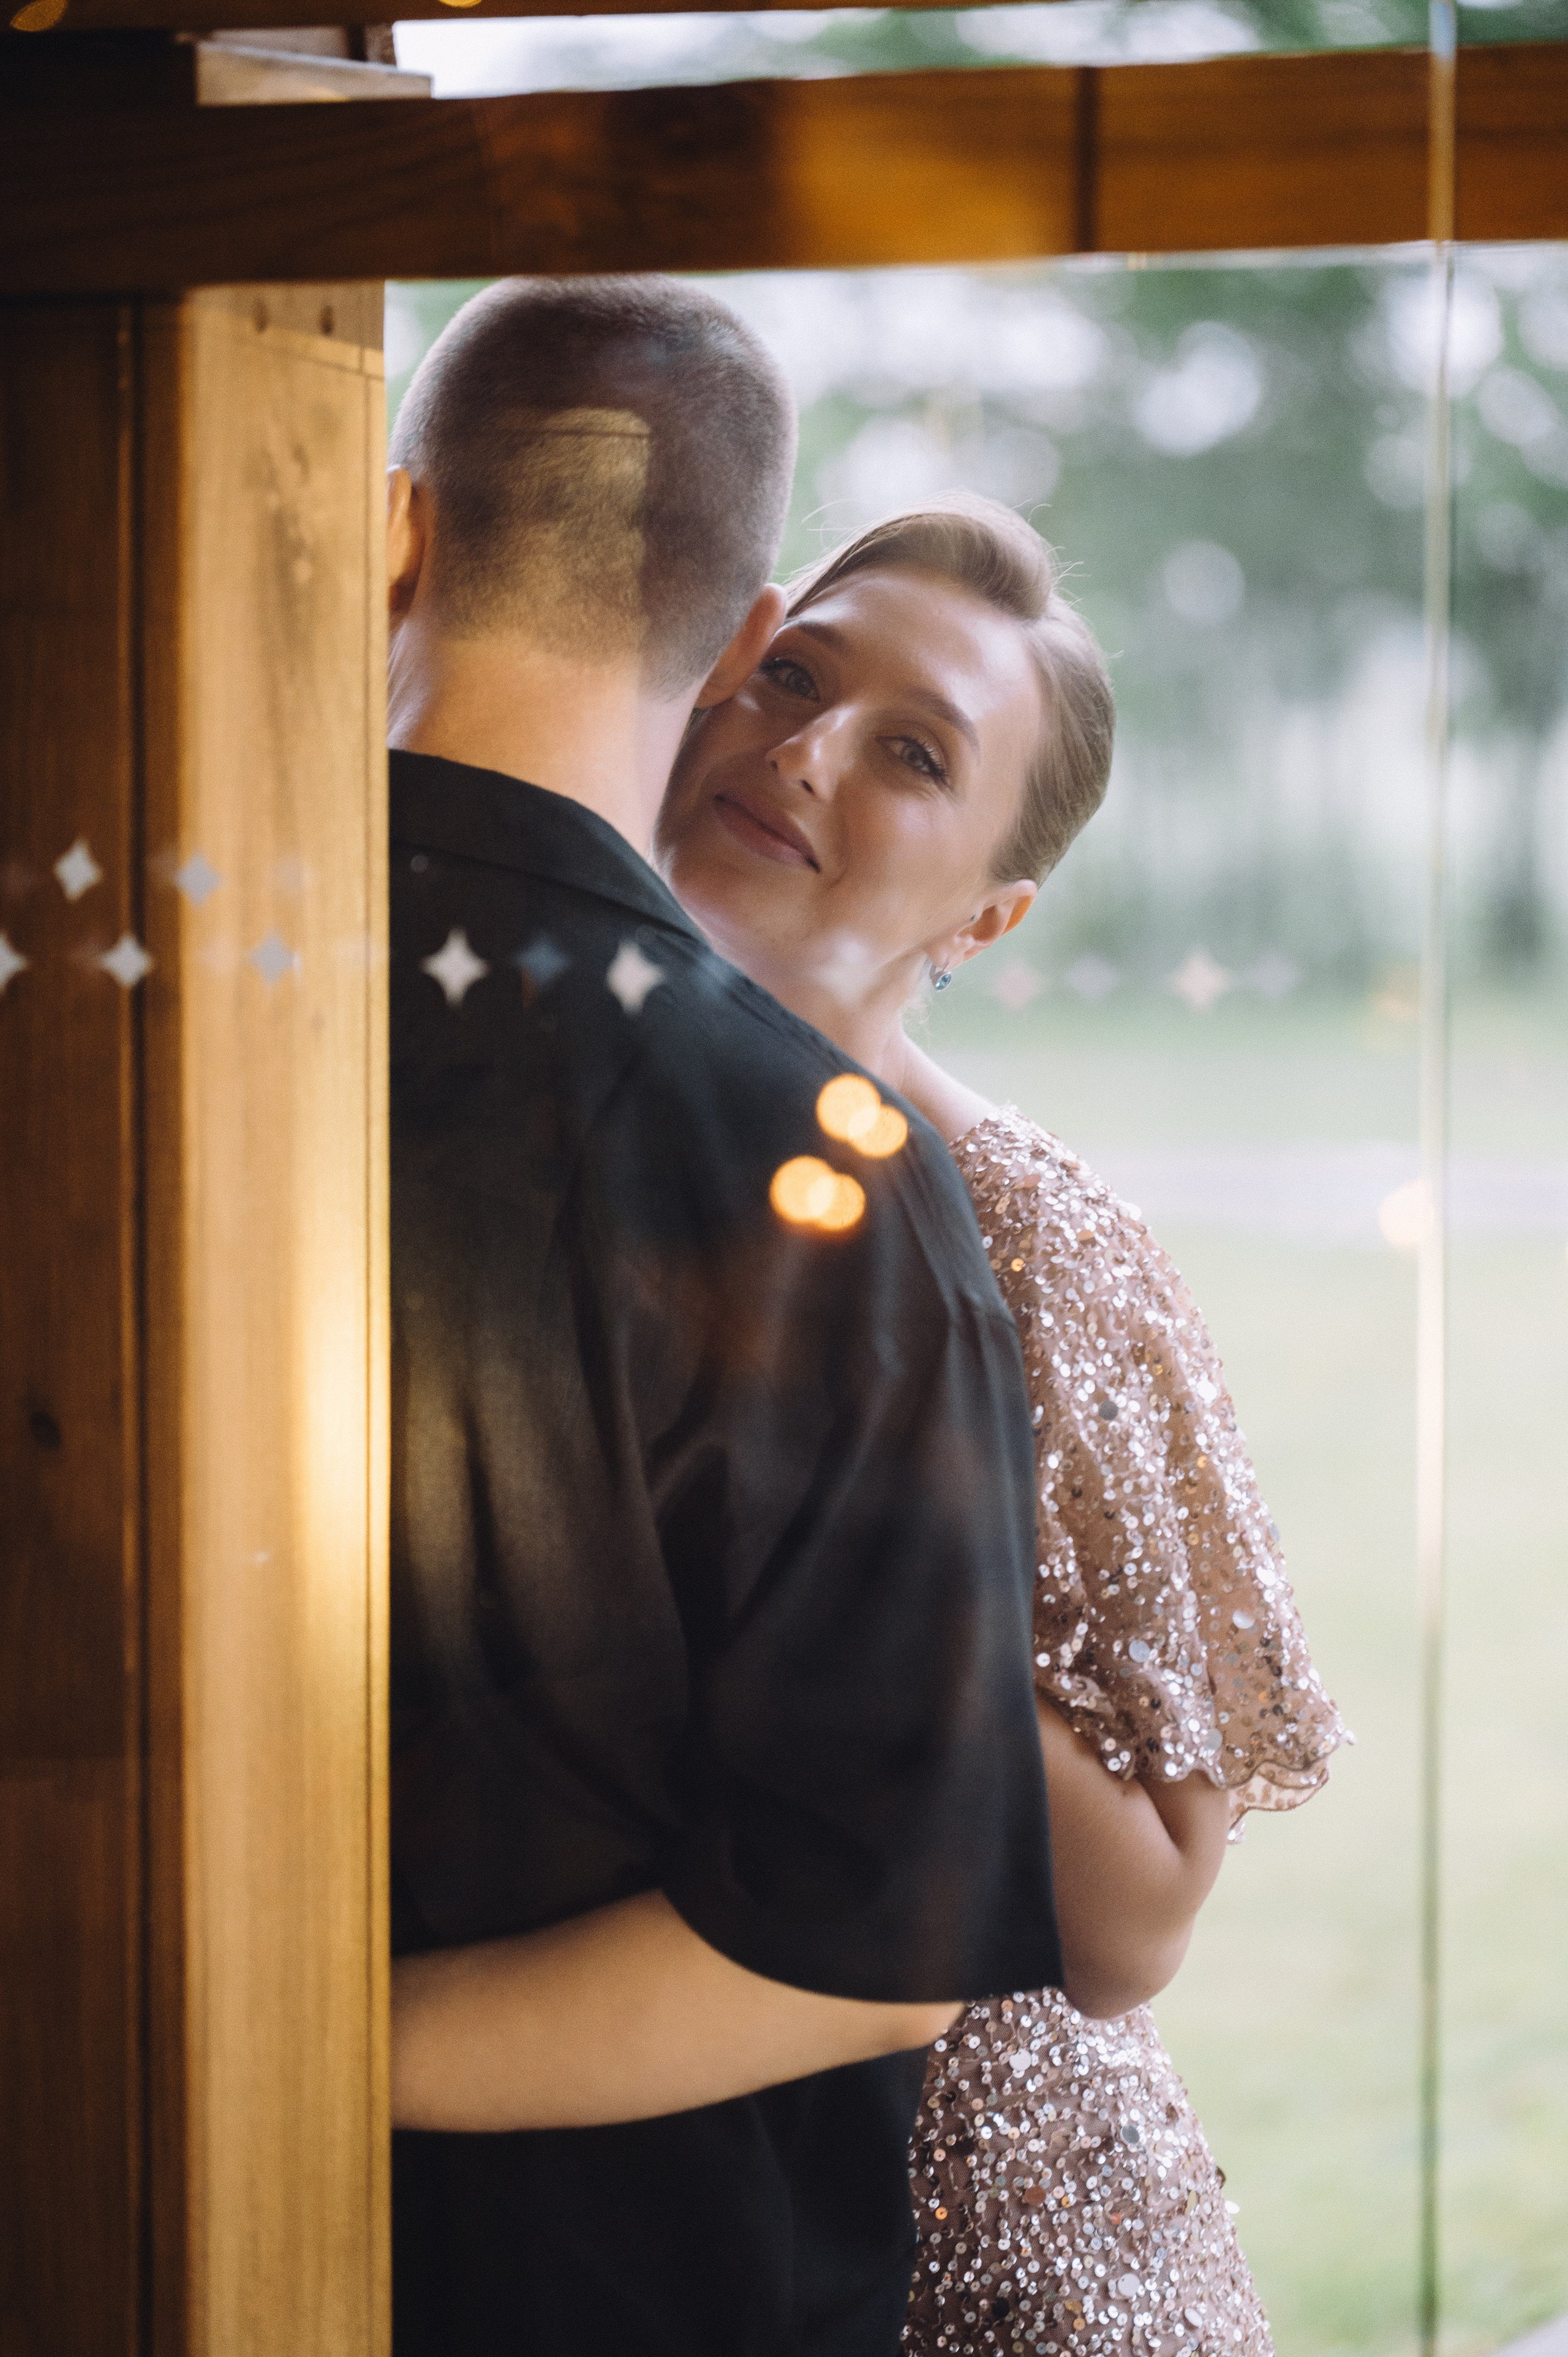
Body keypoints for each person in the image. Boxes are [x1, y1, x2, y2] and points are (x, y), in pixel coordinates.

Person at [384, 281, 1095, 2357]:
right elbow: (865, 1939)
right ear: (735, 627)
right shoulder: (825, 1176)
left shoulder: (94, 1021)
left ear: (398, 535)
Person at [657, 494, 1351, 2357]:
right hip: (660, 2199)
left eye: (911, 752)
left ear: (988, 911)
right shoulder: (559, 1126)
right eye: (792, 677)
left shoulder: (1031, 1240)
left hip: (991, 2255)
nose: (799, 751)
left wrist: (823, 1513)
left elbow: (1137, 1921)